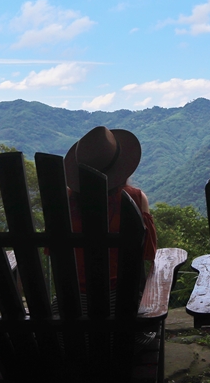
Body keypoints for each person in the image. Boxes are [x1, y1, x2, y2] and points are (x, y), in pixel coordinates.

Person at [61, 125, 157, 305]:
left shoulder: (62, 204)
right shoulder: (135, 199)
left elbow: (52, 252)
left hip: (69, 314)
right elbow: (148, 253)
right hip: (124, 310)